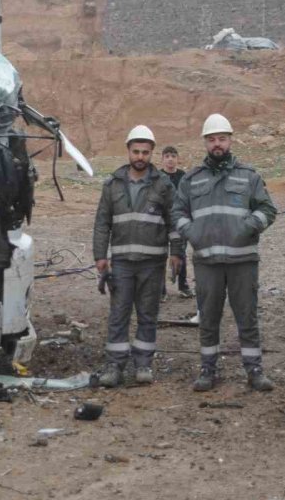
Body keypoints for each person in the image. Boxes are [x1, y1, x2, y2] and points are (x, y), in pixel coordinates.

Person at [172, 114, 277, 392]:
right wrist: (192, 233)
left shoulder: (249, 176)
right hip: (207, 262)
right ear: (205, 142)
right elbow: (177, 212)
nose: (217, 144)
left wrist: (248, 227)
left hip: (242, 261)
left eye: (221, 139)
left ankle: (254, 371)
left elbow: (268, 210)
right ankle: (208, 370)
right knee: (208, 318)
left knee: (247, 317)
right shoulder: (192, 179)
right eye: (211, 139)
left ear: (230, 140)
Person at [93, 125, 183, 387]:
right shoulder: (112, 184)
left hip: (152, 264)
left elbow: (174, 221)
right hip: (121, 263)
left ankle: (143, 363)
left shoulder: (164, 185)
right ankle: (114, 365)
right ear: (128, 151)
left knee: (147, 313)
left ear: (152, 152)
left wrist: (176, 253)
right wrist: (100, 256)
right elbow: (102, 222)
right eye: (136, 152)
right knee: (118, 314)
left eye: (145, 152)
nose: (140, 157)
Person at [159, 146, 194, 299]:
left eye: (173, 155)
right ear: (162, 159)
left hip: (180, 220)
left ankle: (183, 286)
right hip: (161, 222)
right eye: (167, 156)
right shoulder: (157, 177)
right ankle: (161, 290)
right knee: (160, 255)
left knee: (180, 253)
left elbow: (189, 199)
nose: (170, 159)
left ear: (177, 158)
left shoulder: (184, 177)